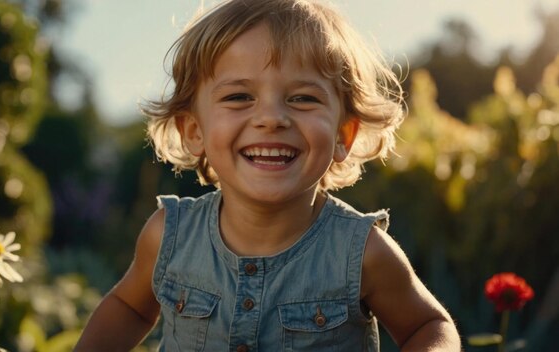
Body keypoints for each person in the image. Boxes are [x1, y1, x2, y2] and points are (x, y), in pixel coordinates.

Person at [75, 0, 461, 350]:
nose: (272, 118)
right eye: (239, 97)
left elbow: (427, 326)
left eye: (303, 98)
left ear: (344, 134)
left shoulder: (362, 253)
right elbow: (129, 307)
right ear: (195, 131)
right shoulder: (169, 237)